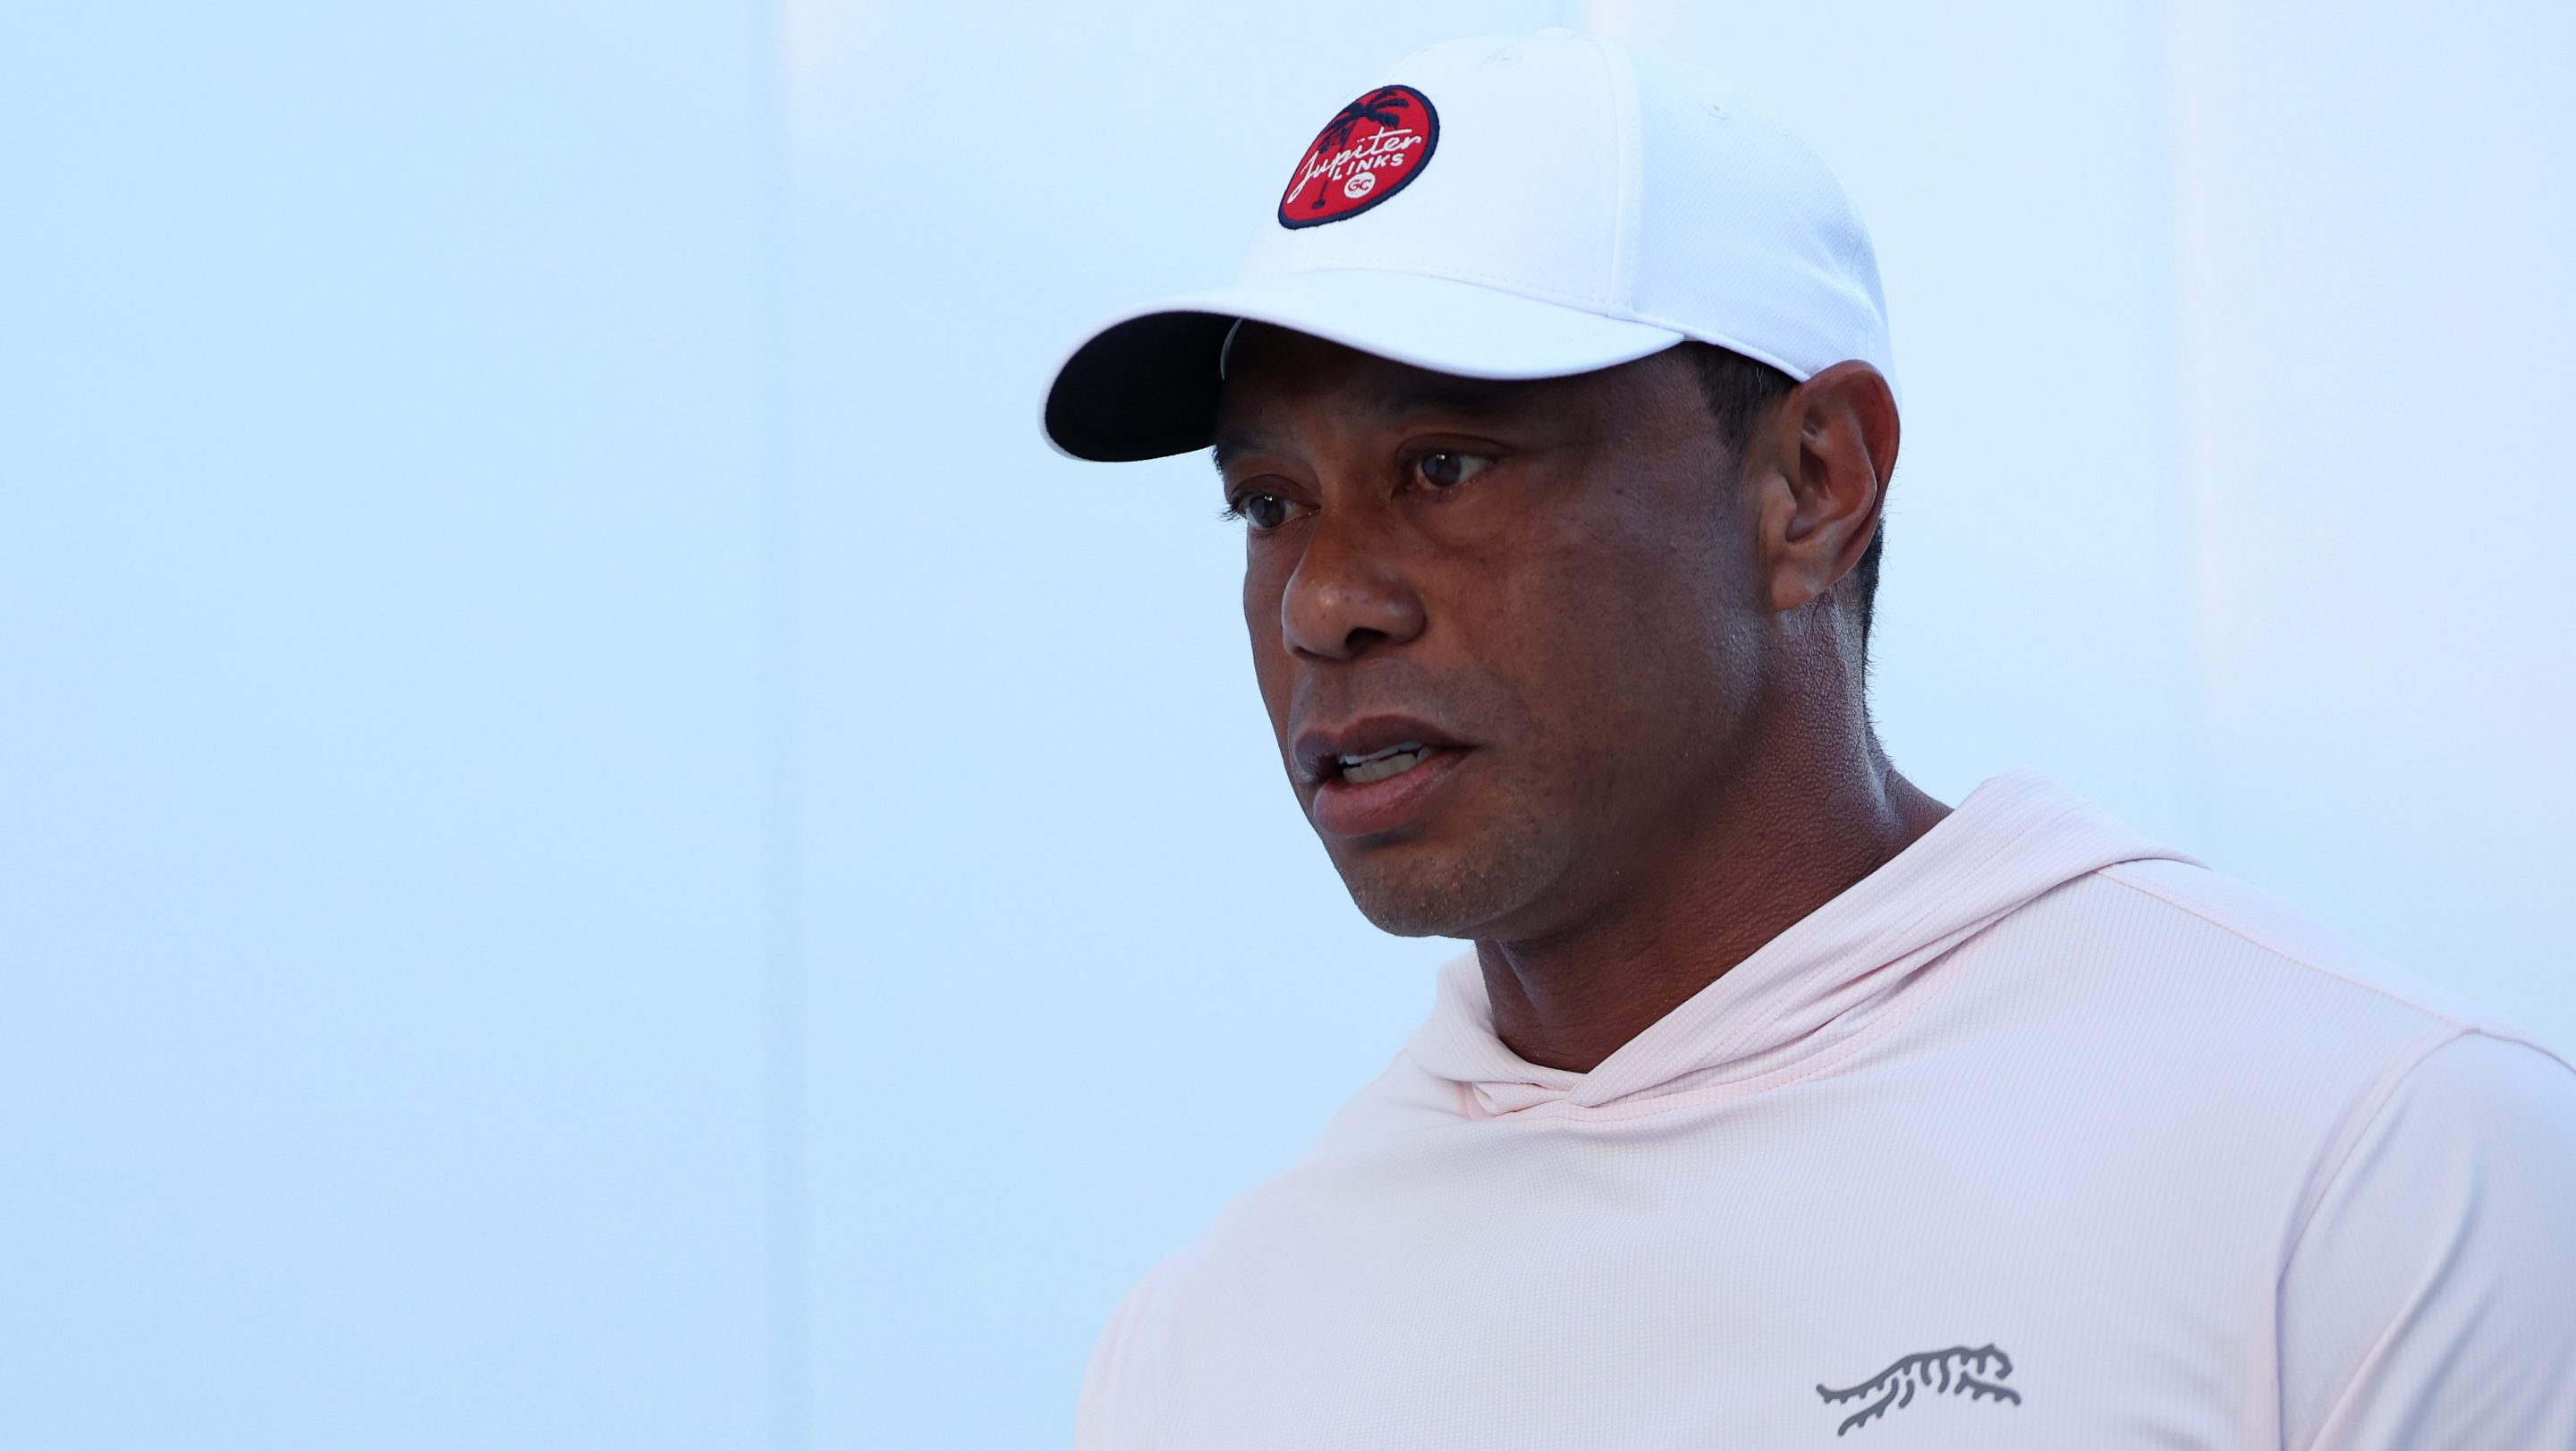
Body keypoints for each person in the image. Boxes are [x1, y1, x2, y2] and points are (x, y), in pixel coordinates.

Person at [1040, 29, 2576, 1450]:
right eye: (1266, 505)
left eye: (1445, 464)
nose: (1324, 600)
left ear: (1813, 482)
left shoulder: (2379, 1158)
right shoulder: (1207, 1356)